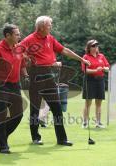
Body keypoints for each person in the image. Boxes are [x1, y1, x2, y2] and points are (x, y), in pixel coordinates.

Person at [20, 16, 90, 146]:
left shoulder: (50, 39)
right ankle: (36, 137)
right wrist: (27, 58)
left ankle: (62, 139)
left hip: (49, 75)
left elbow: (64, 50)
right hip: (35, 74)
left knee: (57, 107)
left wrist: (81, 59)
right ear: (41, 27)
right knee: (35, 107)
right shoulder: (29, 39)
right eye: (49, 25)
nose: (51, 27)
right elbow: (17, 51)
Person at [0, 23, 27, 154]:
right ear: (7, 35)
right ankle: (2, 145)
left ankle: (1, 136)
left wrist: (25, 75)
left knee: (18, 114)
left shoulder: (19, 48)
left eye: (19, 34)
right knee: (1, 115)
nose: (19, 36)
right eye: (17, 34)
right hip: (0, 85)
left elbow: (22, 64)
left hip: (15, 85)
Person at [81, 39, 110, 129]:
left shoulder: (101, 56)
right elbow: (85, 70)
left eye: (97, 45)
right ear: (89, 47)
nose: (96, 47)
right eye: (93, 46)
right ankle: (85, 122)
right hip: (89, 80)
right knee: (88, 102)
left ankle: (98, 123)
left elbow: (108, 67)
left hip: (100, 80)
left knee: (99, 102)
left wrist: (105, 68)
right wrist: (95, 70)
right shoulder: (85, 57)